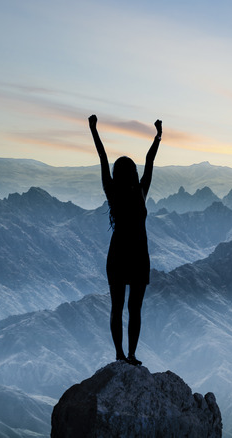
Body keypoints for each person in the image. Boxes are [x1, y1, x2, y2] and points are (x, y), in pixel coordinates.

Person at [89, 114, 161, 366]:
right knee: (132, 309)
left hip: (119, 255)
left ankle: (121, 355)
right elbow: (150, 160)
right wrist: (158, 136)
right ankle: (128, 355)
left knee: (119, 308)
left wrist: (94, 130)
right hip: (139, 255)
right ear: (133, 173)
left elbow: (102, 157)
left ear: (116, 174)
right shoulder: (141, 192)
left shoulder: (112, 192)